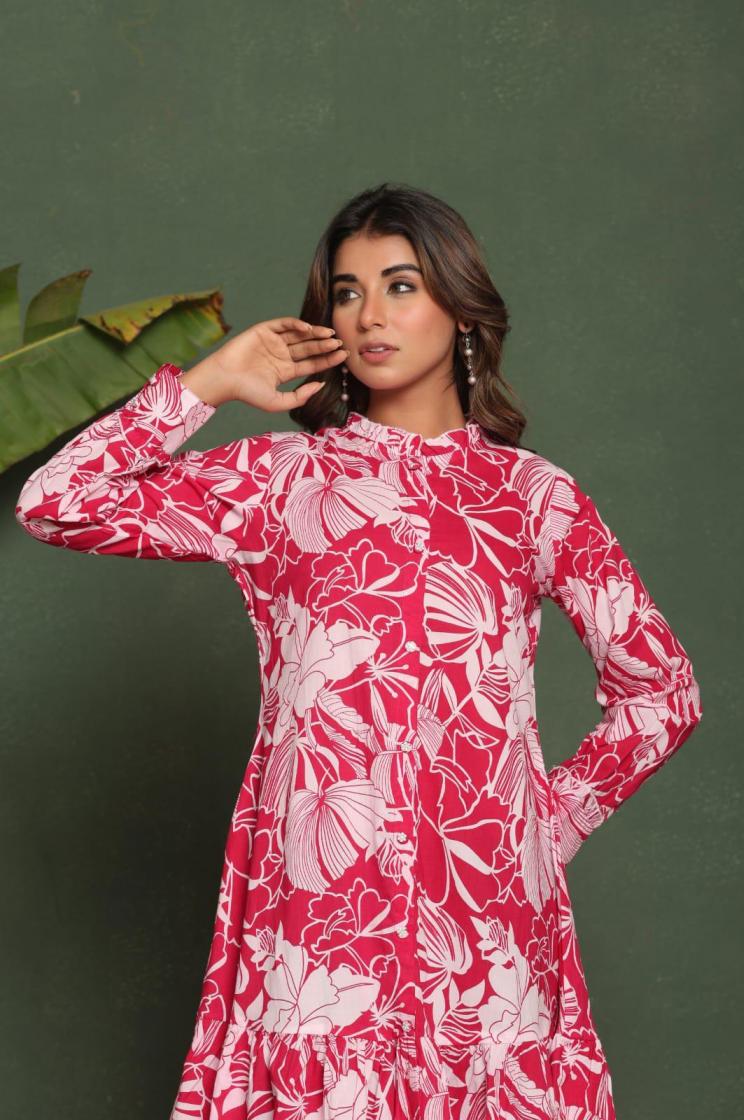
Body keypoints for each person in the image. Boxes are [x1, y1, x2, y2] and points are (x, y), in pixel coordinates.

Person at [15, 182, 703, 1120]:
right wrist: (212, 381)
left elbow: (661, 693)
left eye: (400, 285)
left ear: (461, 306)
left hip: (483, 920)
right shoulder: (283, 482)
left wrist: (549, 823)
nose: (370, 313)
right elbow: (56, 502)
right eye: (347, 292)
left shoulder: (534, 498)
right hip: (320, 914)